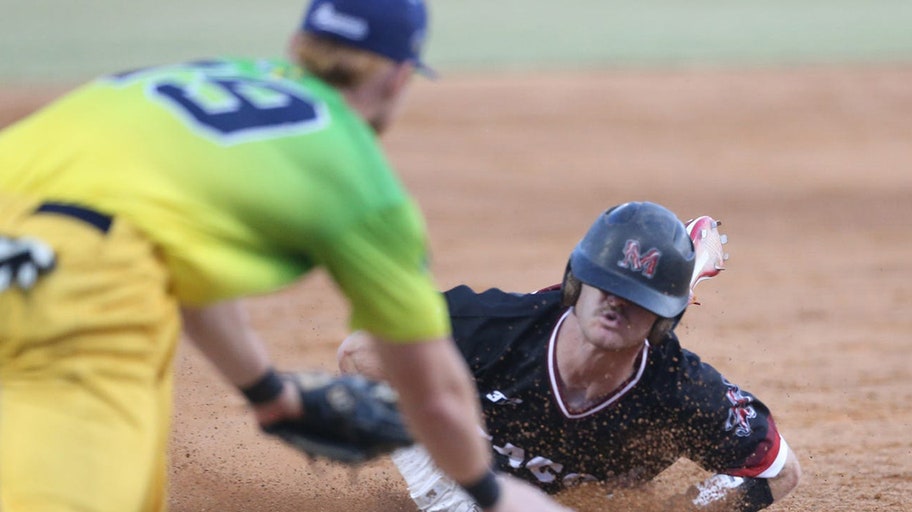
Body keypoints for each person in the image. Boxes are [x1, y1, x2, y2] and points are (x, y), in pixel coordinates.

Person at [0, 1, 571, 511]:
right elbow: (433, 392)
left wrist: (269, 395)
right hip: (69, 294)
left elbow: (185, 267)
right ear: (399, 77)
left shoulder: (203, 77)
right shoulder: (357, 174)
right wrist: (491, 493)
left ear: (300, 47)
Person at [338, 201, 802, 511]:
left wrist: (679, 509)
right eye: (607, 284)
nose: (617, 303)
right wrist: (438, 486)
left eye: (640, 299)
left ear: (666, 320)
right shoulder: (492, 329)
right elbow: (361, 354)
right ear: (575, 282)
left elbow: (776, 472)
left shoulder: (680, 391)